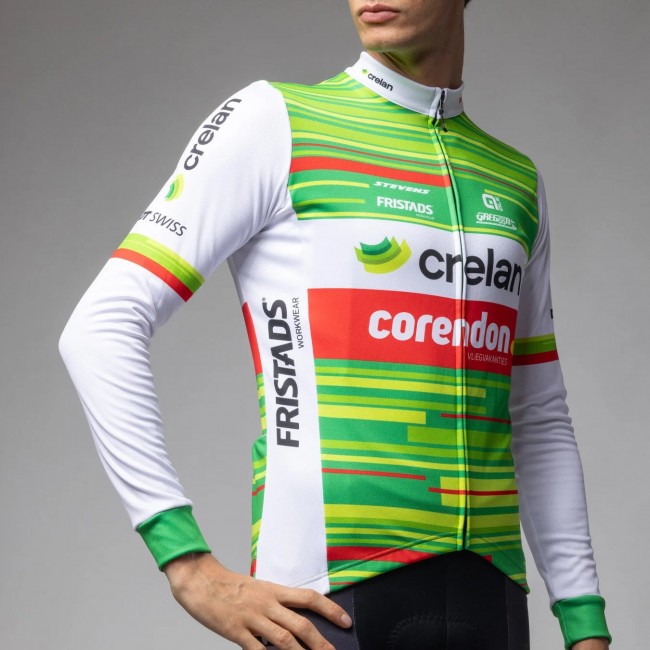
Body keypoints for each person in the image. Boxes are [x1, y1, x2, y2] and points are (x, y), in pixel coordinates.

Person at [59, 1, 612, 648]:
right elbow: (101, 325)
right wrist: (187, 564)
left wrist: (584, 622)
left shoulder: (515, 180)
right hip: (326, 604)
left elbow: (537, 413)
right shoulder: (278, 122)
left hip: (492, 608)